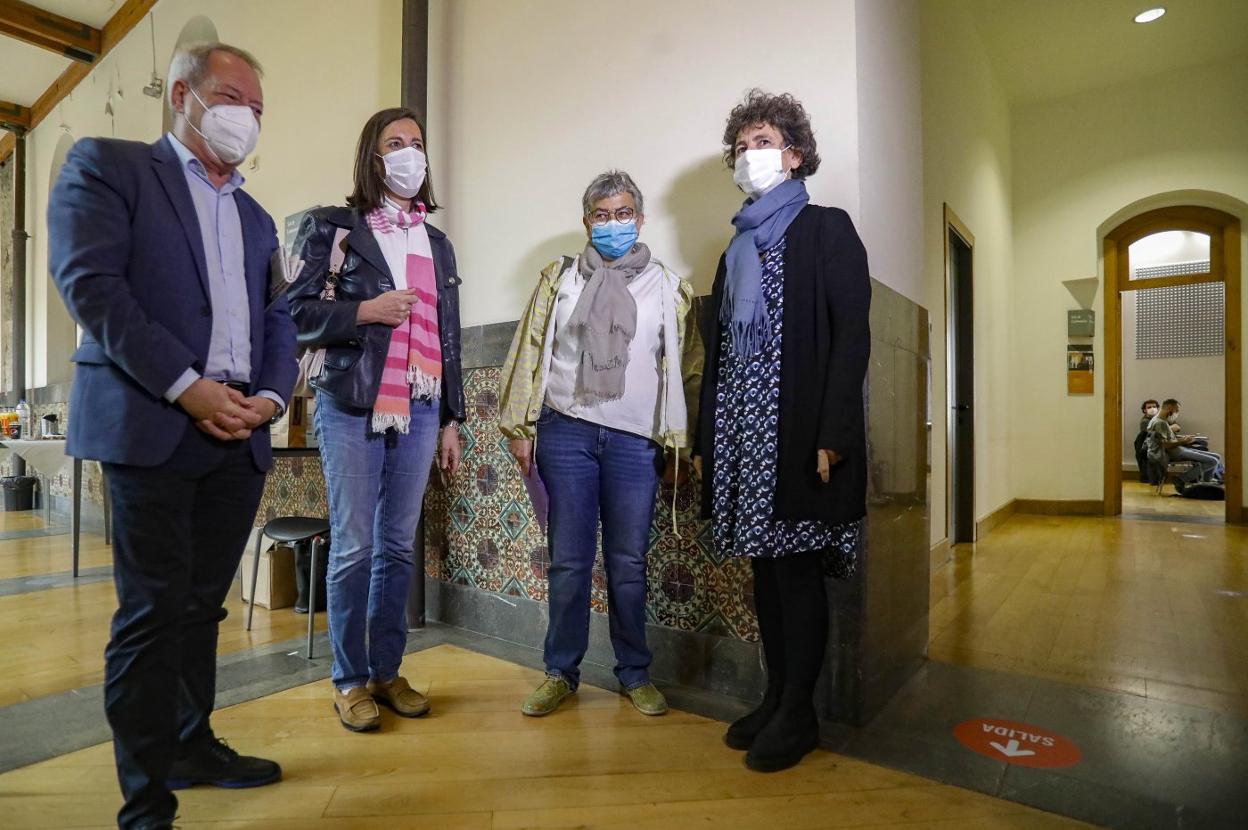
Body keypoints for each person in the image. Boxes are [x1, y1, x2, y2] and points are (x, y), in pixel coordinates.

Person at [48, 42, 297, 830]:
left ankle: (192, 744)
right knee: (152, 612)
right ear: (182, 94)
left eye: (257, 109)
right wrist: (187, 387)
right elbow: (92, 285)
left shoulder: (257, 218)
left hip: (238, 434)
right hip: (152, 419)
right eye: (231, 98)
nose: (245, 118)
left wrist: (270, 396)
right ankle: (146, 802)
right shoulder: (109, 167)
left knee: (201, 609)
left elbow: (279, 317)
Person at [692, 90, 871, 773]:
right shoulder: (735, 250)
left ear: (795, 155)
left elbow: (851, 337)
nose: (749, 155)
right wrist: (708, 443)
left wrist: (834, 434)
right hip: (743, 436)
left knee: (796, 572)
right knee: (765, 573)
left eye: (762, 141)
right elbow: (719, 356)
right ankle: (775, 697)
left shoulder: (827, 229)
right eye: (741, 146)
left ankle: (800, 711)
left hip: (797, 435)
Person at [498, 171, 700, 718]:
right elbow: (530, 351)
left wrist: (682, 448)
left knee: (628, 562)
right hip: (566, 432)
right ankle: (560, 672)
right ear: (587, 221)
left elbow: (689, 368)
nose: (614, 223)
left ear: (641, 218)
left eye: (623, 213)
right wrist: (520, 429)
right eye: (602, 215)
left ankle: (635, 674)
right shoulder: (559, 279)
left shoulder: (667, 286)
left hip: (636, 441)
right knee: (568, 561)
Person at [288, 107, 464, 733]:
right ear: (372, 156)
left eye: (416, 142)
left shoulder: (436, 243)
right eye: (395, 143)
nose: (409, 152)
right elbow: (294, 313)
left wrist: (451, 418)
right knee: (355, 545)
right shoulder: (334, 227)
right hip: (352, 401)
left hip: (422, 404)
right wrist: (366, 310)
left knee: (396, 545)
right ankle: (348, 679)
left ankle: (387, 671)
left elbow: (448, 336)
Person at [1147, 399, 1222, 490]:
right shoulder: (1160, 423)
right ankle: (1181, 479)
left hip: (1177, 449)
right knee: (1213, 461)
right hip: (1174, 452)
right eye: (1176, 410)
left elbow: (1168, 440)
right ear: (1170, 408)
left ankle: (1207, 482)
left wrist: (1184, 439)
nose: (1177, 413)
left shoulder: (1158, 420)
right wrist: (1184, 441)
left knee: (1217, 457)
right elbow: (1167, 445)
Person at [1135, 399, 1159, 483]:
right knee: (1145, 462)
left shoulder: (1159, 419)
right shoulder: (1145, 421)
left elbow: (1177, 426)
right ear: (1144, 410)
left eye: (1154, 407)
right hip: (1143, 443)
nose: (1152, 409)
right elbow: (1156, 432)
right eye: (1149, 407)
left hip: (1155, 443)